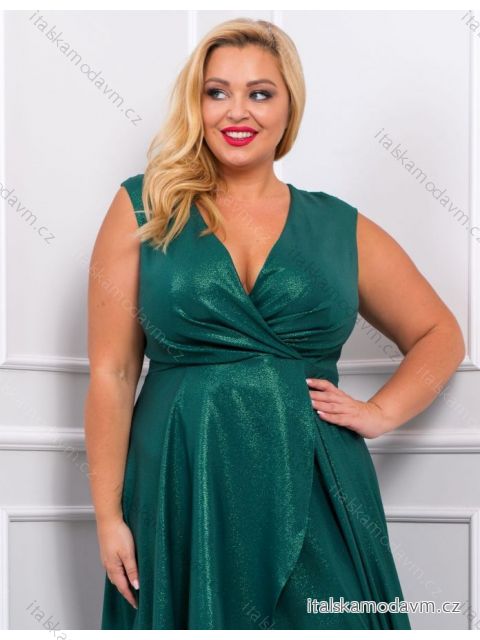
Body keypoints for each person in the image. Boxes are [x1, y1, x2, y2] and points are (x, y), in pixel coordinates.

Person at [84, 17, 465, 630]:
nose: (237, 111)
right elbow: (113, 372)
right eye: (217, 92)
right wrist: (107, 517)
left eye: (260, 93)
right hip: (183, 483)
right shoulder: (144, 207)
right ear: (196, 105)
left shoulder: (337, 225)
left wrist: (380, 412)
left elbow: (440, 334)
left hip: (319, 481)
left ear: (290, 108)